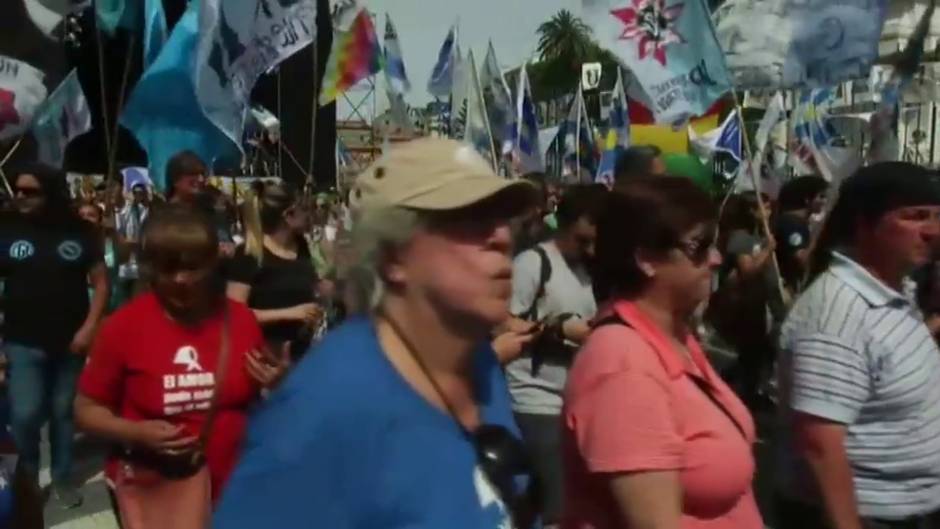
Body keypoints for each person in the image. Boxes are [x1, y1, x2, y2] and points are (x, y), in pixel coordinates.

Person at [215, 138, 540, 529]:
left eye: (503, 219)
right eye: (470, 221)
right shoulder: (325, 410)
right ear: (394, 258)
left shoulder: (478, 362)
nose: (502, 238)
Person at [562, 176, 762, 529]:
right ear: (646, 259)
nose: (715, 259)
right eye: (699, 247)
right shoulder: (622, 363)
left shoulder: (674, 337)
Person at [74, 205, 285, 529]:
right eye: (168, 269)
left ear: (213, 263)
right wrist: (136, 432)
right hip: (158, 493)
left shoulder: (241, 320)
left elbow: (256, 402)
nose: (181, 279)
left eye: (193, 268)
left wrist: (276, 382)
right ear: (149, 269)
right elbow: (86, 409)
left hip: (235, 490)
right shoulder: (123, 327)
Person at [776, 162, 940, 529]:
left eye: (936, 217)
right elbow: (820, 445)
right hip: (869, 517)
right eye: (915, 217)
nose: (932, 230)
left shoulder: (897, 289)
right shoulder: (836, 313)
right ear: (864, 224)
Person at [0, 163, 109, 508]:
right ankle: (28, 477)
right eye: (17, 190)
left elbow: (102, 283)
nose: (20, 197)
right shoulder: (5, 229)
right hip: (21, 341)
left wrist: (90, 327)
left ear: (50, 193)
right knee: (25, 414)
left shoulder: (80, 231)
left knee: (64, 413)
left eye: (29, 191)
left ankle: (62, 478)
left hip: (70, 342)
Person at [505, 184, 605, 527]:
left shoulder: (585, 271)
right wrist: (557, 329)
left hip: (574, 401)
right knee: (559, 506)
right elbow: (502, 322)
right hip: (535, 399)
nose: (590, 249)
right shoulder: (533, 263)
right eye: (583, 239)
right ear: (567, 223)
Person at [227, 183, 322, 362]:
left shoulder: (301, 247)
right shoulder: (249, 255)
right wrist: (290, 313)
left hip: (302, 356)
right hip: (264, 359)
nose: (311, 216)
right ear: (288, 215)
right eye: (305, 210)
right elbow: (233, 315)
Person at [707, 192, 778, 406]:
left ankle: (733, 385)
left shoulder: (755, 236)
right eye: (764, 208)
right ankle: (743, 393)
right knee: (753, 351)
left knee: (756, 352)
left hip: (756, 303)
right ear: (751, 211)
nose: (769, 212)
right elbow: (747, 270)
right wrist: (768, 249)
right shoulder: (740, 238)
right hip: (742, 305)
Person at [773, 175, 829, 292]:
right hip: (784, 290)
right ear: (807, 199)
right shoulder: (791, 224)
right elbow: (802, 259)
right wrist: (824, 231)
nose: (825, 201)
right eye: (821, 196)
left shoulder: (798, 223)